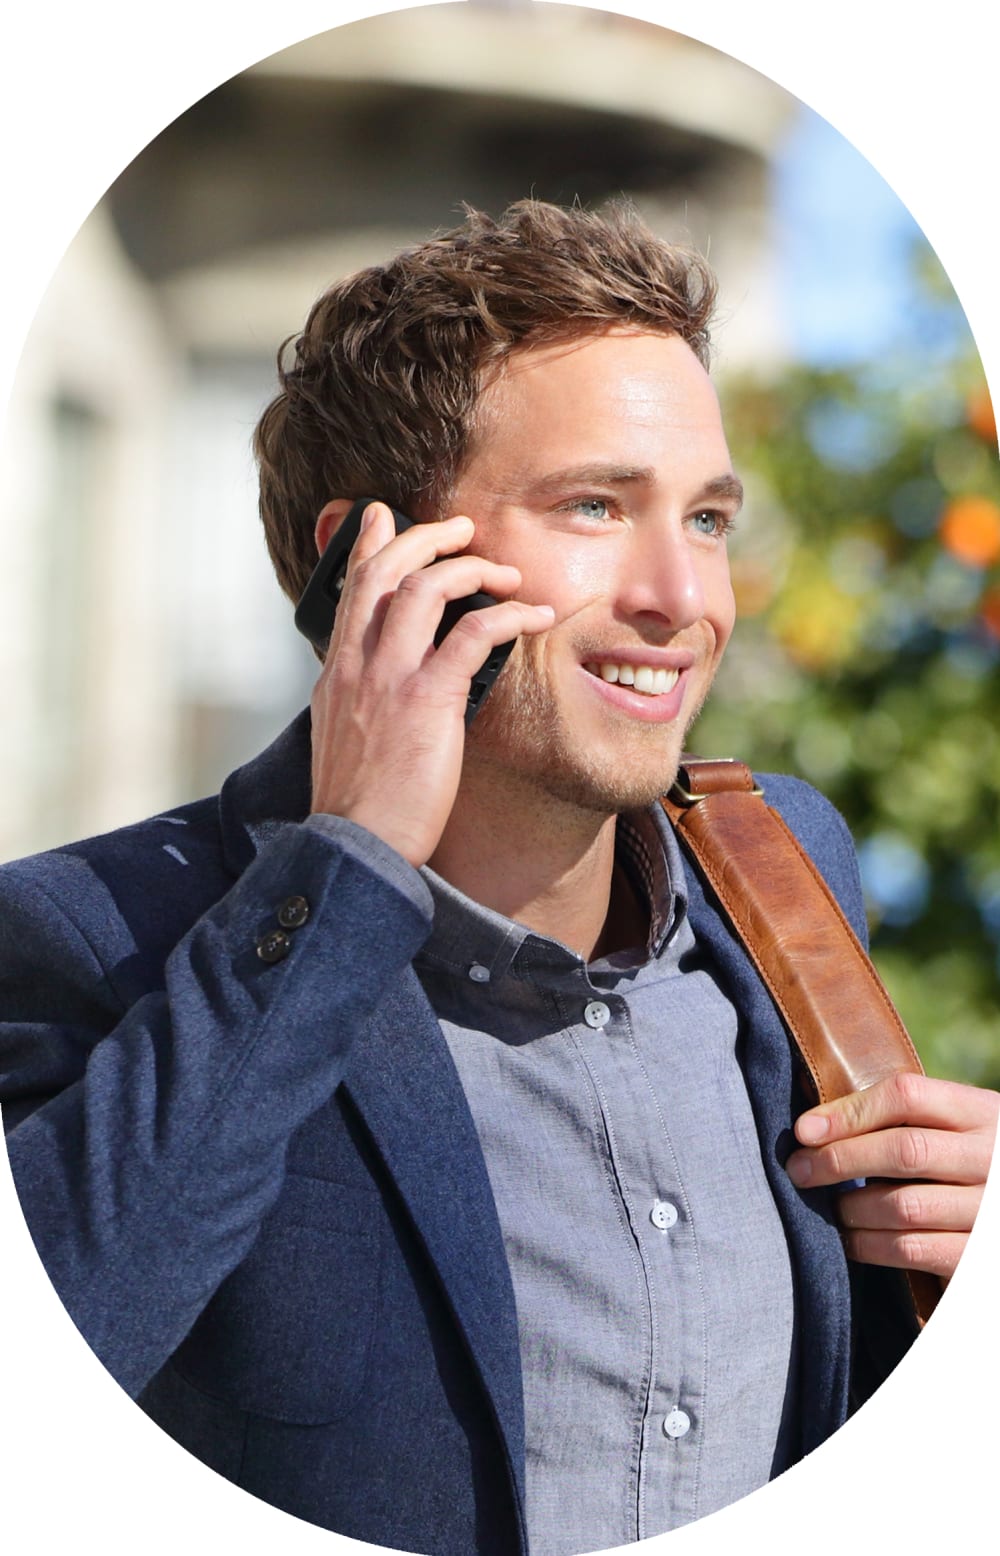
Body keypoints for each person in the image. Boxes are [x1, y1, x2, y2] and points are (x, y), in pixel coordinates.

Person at [1, 200, 995, 1556]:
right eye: (595, 506)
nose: (680, 596)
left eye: (706, 519)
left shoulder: (787, 868)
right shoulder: (82, 936)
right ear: (363, 560)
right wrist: (343, 871)